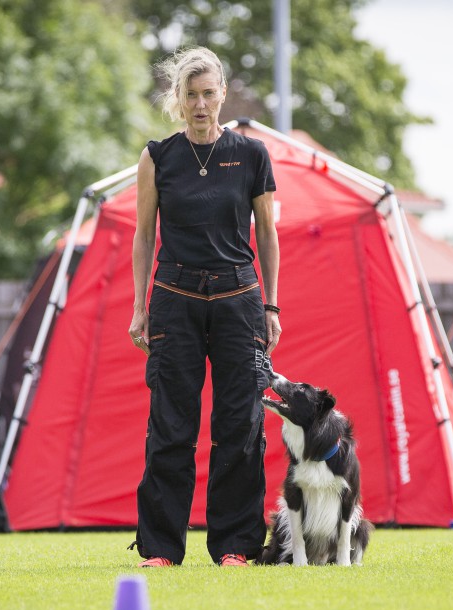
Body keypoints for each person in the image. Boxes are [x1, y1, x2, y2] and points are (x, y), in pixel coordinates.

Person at [127, 46, 280, 567]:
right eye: (190, 95)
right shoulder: (157, 157)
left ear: (222, 93)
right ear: (177, 99)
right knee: (171, 426)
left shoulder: (252, 154)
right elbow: (143, 235)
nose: (199, 104)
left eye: (208, 93)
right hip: (174, 299)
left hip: (240, 300)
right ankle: (161, 548)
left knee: (240, 424)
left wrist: (272, 307)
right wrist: (139, 306)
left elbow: (268, 235)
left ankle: (235, 546)